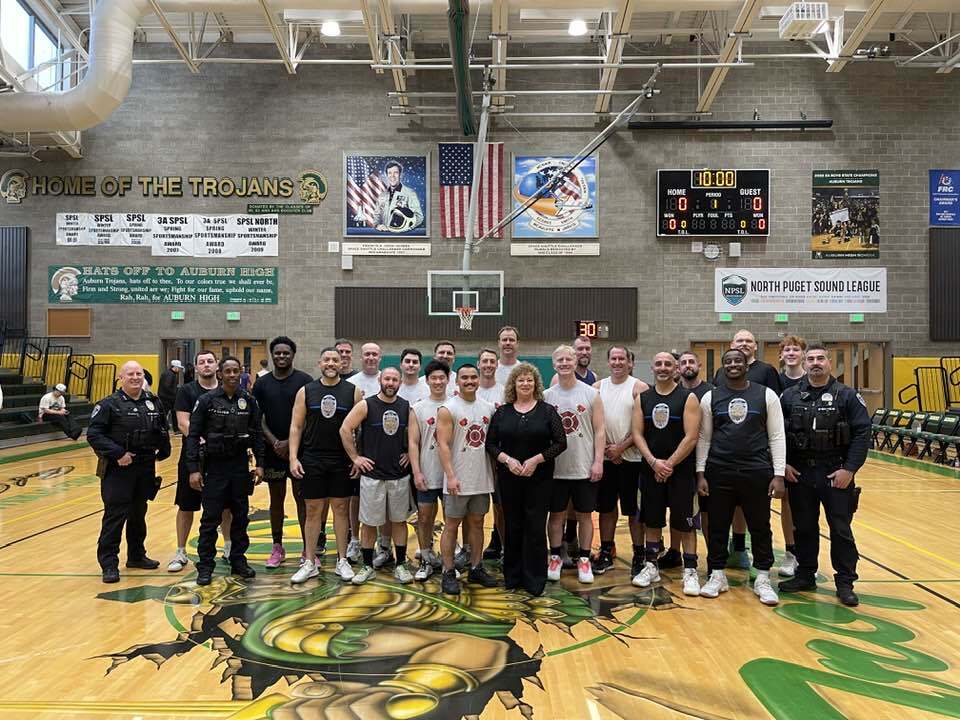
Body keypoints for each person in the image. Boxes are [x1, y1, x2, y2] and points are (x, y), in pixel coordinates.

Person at [779, 344, 872, 607]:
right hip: (801, 473)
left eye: (821, 358)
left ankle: (845, 582)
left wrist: (849, 469)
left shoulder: (847, 396)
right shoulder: (789, 396)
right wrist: (783, 465)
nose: (815, 363)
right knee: (804, 527)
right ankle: (805, 574)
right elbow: (776, 433)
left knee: (840, 530)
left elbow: (862, 434)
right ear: (805, 364)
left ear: (830, 363)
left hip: (836, 473)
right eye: (811, 359)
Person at [695, 348, 786, 606]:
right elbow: (704, 438)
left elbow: (777, 437)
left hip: (756, 471)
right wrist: (701, 472)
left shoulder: (765, 395)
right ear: (723, 367)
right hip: (719, 470)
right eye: (728, 361)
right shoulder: (710, 397)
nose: (733, 364)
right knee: (718, 525)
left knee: (760, 526)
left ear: (747, 365)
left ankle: (763, 578)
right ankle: (717, 575)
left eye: (738, 361)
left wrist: (778, 474)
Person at [87, 361, 171, 583]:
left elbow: (162, 428)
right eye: (130, 374)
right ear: (121, 378)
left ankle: (136, 555)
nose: (135, 377)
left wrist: (164, 449)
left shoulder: (152, 401)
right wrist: (117, 454)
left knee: (138, 513)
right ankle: (109, 563)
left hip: (145, 467)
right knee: (115, 515)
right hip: (118, 469)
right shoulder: (108, 405)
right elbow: (94, 435)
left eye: (139, 374)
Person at [486, 363, 566, 596]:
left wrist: (535, 460)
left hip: (539, 478)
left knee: (534, 527)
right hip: (509, 478)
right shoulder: (502, 412)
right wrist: (507, 460)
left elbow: (561, 443)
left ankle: (534, 579)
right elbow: (490, 443)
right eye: (520, 380)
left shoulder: (547, 411)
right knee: (512, 526)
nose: (525, 383)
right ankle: (513, 576)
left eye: (529, 380)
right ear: (513, 384)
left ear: (536, 384)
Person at [185, 356, 264, 586]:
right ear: (219, 374)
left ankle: (238, 560)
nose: (232, 375)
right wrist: (193, 469)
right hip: (214, 466)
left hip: (240, 465)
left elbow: (257, 435)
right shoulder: (206, 400)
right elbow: (192, 436)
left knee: (240, 516)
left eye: (235, 371)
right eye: (227, 371)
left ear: (241, 373)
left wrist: (260, 464)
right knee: (210, 519)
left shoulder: (248, 401)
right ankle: (206, 566)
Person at [288, 347, 362, 584]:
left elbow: (359, 429)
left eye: (335, 360)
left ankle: (342, 560)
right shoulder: (306, 391)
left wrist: (356, 457)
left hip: (341, 460)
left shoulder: (353, 391)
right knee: (313, 511)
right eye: (327, 359)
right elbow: (296, 427)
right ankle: (309, 561)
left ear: (342, 363)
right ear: (320, 363)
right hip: (312, 458)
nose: (331, 363)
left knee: (341, 510)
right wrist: (293, 457)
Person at [631, 352, 701, 595]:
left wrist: (668, 464)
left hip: (680, 471)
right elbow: (637, 434)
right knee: (652, 520)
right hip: (651, 470)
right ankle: (651, 565)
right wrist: (653, 462)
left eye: (668, 364)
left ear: (676, 369)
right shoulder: (643, 398)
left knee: (686, 522)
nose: (663, 368)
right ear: (652, 367)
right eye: (658, 363)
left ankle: (690, 570)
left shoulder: (688, 398)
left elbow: (691, 436)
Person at [712, 329, 783, 570]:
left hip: (756, 461)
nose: (743, 345)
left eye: (748, 341)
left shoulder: (766, 373)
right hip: (723, 462)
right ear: (731, 345)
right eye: (739, 341)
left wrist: (778, 469)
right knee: (721, 517)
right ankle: (728, 558)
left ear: (755, 347)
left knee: (758, 519)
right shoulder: (720, 375)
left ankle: (758, 565)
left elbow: (775, 425)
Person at [339, 367, 414, 585]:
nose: (391, 383)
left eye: (395, 380)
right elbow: (345, 429)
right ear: (380, 380)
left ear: (400, 383)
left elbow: (414, 435)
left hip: (398, 476)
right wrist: (355, 458)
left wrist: (410, 452)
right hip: (372, 476)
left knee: (399, 522)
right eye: (387, 379)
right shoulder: (366, 404)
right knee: (369, 524)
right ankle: (367, 566)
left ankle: (401, 564)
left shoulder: (405, 406)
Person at [435, 364, 499, 595]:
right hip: (457, 480)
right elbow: (442, 444)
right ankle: (448, 571)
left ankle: (475, 567)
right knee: (451, 525)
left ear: (479, 379)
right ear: (457, 381)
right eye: (465, 378)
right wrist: (451, 476)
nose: (470, 381)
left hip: (481, 478)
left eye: (473, 377)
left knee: (477, 523)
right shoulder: (448, 408)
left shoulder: (488, 408)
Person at [167, 350, 233, 573]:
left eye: (210, 361)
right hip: (193, 457)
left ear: (217, 366)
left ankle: (229, 546)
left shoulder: (227, 390)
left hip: (222, 458)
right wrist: (203, 441)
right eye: (201, 362)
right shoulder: (186, 391)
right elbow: (183, 423)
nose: (206, 365)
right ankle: (181, 550)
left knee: (225, 505)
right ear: (196, 368)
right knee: (186, 505)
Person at [544, 345, 605, 584]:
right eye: (560, 359)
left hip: (584, 465)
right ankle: (556, 556)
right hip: (557, 469)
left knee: (585, 516)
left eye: (569, 359)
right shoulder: (548, 396)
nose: (565, 363)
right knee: (556, 515)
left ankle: (584, 559)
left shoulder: (591, 393)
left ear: (575, 360)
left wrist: (598, 461)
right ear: (554, 364)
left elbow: (600, 430)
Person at [253, 337, 314, 569]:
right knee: (276, 500)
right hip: (273, 452)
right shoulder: (261, 384)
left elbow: (309, 417)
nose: (281, 357)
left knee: (302, 500)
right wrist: (275, 442)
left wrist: (290, 443)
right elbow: (257, 418)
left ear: (293, 355)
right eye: (277, 353)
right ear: (272, 355)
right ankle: (277, 546)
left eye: (285, 353)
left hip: (299, 452)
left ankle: (307, 549)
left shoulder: (305, 381)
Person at [593, 346, 648, 576]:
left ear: (630, 363)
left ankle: (639, 554)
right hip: (605, 459)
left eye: (622, 359)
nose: (617, 362)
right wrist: (607, 450)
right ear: (608, 362)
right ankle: (606, 552)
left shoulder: (639, 387)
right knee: (606, 509)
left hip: (632, 459)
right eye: (613, 358)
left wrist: (621, 447)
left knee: (634, 511)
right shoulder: (597, 388)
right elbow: (594, 423)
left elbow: (644, 426)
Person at [408, 360, 450, 580]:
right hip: (427, 473)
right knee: (425, 518)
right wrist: (417, 472)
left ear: (448, 379)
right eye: (433, 378)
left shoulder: (455, 404)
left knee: (453, 519)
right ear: (427, 380)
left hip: (451, 476)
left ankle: (450, 560)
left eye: (441, 377)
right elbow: (413, 443)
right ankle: (425, 558)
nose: (437, 381)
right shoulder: (418, 408)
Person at [776, 334, 807, 578]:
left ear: (802, 354)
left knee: (807, 508)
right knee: (786, 502)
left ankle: (806, 557)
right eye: (787, 349)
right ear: (781, 354)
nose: (791, 353)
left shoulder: (814, 380)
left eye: (795, 349)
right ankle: (790, 553)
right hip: (782, 453)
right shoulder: (776, 382)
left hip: (809, 454)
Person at [476, 348, 506, 560]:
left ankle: (504, 548)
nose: (488, 364)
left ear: (497, 365)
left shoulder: (505, 392)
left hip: (497, 458)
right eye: (484, 361)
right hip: (472, 458)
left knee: (500, 506)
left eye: (491, 361)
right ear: (478, 364)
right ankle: (470, 550)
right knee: (473, 511)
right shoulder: (468, 389)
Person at [373, 159, 424, 233]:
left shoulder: (409, 193)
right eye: (389, 173)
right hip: (384, 235)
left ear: (400, 174)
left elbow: (419, 217)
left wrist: (403, 229)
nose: (392, 176)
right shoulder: (382, 195)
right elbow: (377, 215)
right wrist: (377, 226)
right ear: (387, 175)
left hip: (401, 234)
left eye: (395, 173)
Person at [158, 360, 183, 432]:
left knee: (166, 414)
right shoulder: (170, 375)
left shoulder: (167, 373)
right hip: (168, 399)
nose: (179, 370)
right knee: (170, 413)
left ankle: (165, 428)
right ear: (175, 367)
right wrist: (175, 393)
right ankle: (174, 429)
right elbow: (167, 386)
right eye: (178, 368)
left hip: (166, 398)